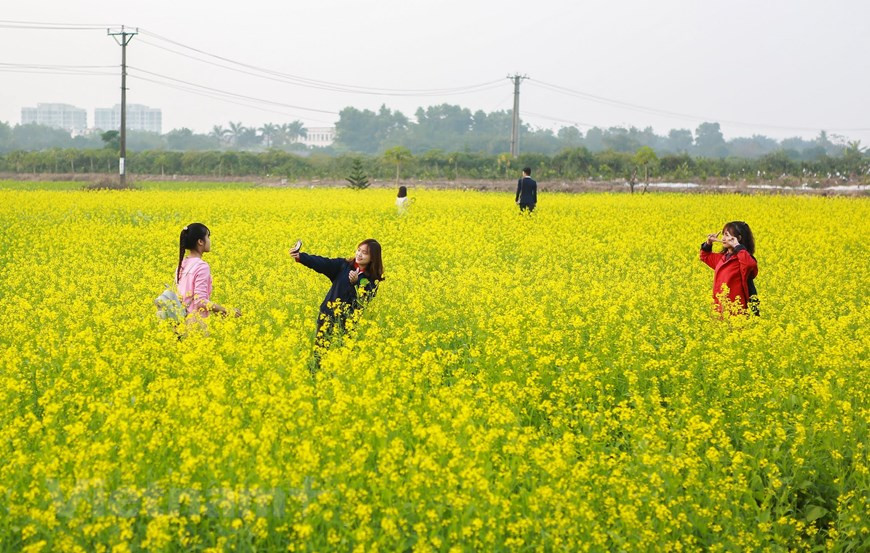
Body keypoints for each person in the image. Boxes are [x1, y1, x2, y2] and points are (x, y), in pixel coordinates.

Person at [290, 239, 384, 364]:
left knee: (343, 357)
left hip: (348, 322)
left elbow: (366, 298)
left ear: (373, 258)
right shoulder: (344, 265)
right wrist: (301, 257)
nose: (359, 254)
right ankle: (315, 378)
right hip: (327, 315)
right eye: (359, 250)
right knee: (319, 354)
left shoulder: (372, 279)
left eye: (365, 253)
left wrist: (356, 283)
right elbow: (323, 263)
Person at [176, 223, 241, 320]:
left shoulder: (182, 264)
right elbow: (200, 301)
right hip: (195, 323)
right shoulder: (202, 266)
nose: (210, 241)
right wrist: (226, 310)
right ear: (200, 242)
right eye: (208, 237)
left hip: (180, 321)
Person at [699, 221, 759, 315]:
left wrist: (738, 246)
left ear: (738, 238)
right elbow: (704, 256)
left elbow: (749, 265)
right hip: (720, 308)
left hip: (737, 310)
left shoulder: (742, 260)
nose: (723, 238)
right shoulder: (723, 257)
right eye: (723, 235)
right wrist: (708, 243)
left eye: (727, 235)